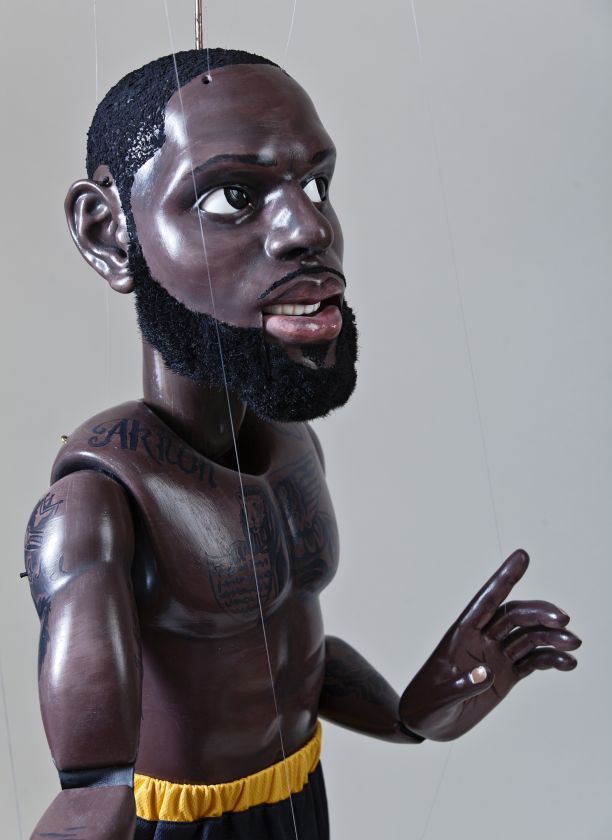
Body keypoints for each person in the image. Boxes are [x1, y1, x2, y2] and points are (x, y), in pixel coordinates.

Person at [25, 49, 580, 840]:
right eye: (232, 196)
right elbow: (90, 796)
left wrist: (408, 713)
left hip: (298, 801)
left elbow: (284, 645)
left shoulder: (291, 444)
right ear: (111, 233)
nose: (311, 229)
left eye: (316, 184)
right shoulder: (98, 504)